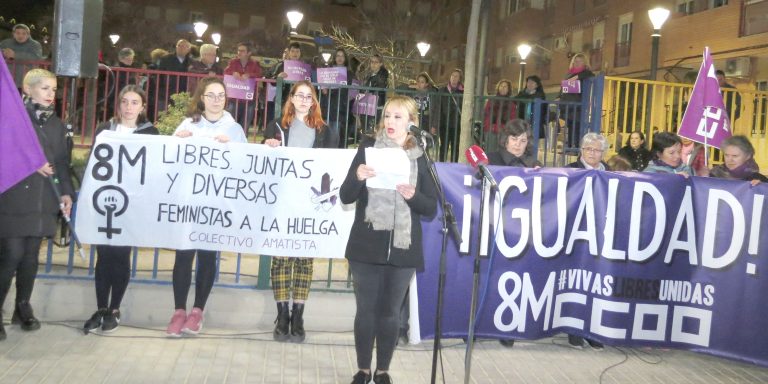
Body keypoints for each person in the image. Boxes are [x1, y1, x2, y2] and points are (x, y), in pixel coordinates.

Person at [340, 95, 437, 384]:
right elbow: (346, 196)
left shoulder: (421, 155)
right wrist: (357, 176)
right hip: (366, 244)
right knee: (366, 310)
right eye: (387, 116)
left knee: (390, 312)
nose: (390, 122)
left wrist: (413, 196)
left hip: (403, 249)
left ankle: (382, 370)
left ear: (412, 123)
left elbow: (430, 207)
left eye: (397, 117)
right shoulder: (368, 148)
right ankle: (362, 369)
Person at [165, 77, 246, 337]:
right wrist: (177, 142)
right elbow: (169, 159)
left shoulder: (233, 128)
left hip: (216, 203)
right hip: (189, 201)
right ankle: (179, 311)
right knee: (184, 255)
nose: (216, 100)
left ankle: (198, 311)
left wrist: (231, 149)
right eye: (210, 95)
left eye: (220, 95)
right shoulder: (188, 124)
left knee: (208, 256)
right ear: (201, 98)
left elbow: (246, 166)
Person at [0, 69, 74, 341]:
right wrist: (31, 166)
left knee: (31, 257)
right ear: (27, 89)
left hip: (43, 199)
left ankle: (22, 307)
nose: (50, 94)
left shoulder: (56, 124)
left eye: (53, 89)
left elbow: (62, 163)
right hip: (14, 197)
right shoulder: (11, 119)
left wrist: (66, 192)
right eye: (44, 88)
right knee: (10, 256)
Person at [263, 80, 338, 343]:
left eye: (310, 96)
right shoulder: (276, 127)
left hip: (310, 203)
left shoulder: (325, 131)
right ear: (291, 99)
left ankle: (299, 315)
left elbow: (332, 168)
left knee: (305, 260)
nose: (305, 100)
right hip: (282, 200)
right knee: (281, 258)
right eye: (300, 96)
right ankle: (282, 314)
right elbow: (262, 163)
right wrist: (267, 146)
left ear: (314, 101)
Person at [82, 85, 159, 334]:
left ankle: (115, 309)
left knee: (120, 256)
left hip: (132, 205)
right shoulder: (105, 129)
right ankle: (101, 308)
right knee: (103, 256)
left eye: (134, 102)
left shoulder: (151, 133)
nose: (128, 107)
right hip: (105, 201)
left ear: (142, 106)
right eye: (125, 101)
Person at [558, 53, 594, 149]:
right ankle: (570, 147)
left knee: (577, 127)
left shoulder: (585, 74)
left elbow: (590, 73)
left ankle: (576, 148)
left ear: (585, 63)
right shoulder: (569, 73)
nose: (577, 63)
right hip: (568, 105)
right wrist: (559, 96)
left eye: (580, 61)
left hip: (578, 105)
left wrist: (577, 77)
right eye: (575, 61)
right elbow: (563, 88)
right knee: (570, 126)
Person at [224, 42, 262, 132]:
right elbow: (226, 72)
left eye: (242, 51)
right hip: (233, 99)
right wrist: (232, 73)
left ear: (249, 53)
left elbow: (260, 75)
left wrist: (250, 75)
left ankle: (242, 143)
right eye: (238, 50)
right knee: (230, 124)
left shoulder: (255, 64)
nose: (239, 53)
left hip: (249, 100)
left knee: (245, 125)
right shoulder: (233, 62)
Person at [320, 48, 353, 148]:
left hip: (340, 106)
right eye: (338, 55)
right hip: (327, 105)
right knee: (324, 132)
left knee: (335, 133)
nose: (339, 58)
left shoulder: (349, 74)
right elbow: (322, 85)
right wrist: (324, 90)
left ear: (345, 58)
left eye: (342, 56)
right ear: (334, 58)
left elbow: (348, 89)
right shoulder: (327, 71)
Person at [434, 68, 464, 162]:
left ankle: (454, 166)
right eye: (452, 76)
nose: (454, 78)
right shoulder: (443, 90)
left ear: (460, 79)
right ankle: (442, 165)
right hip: (444, 123)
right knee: (444, 146)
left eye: (456, 76)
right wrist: (435, 124)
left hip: (457, 124)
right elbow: (438, 108)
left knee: (456, 147)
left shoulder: (464, 91)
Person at [0, 24, 43, 88]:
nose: (20, 35)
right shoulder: (5, 43)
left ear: (28, 34)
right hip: (7, 80)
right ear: (13, 34)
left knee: (23, 97)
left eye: (24, 33)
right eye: (18, 33)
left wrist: (15, 55)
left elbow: (36, 57)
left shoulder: (35, 45)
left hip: (27, 81)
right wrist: (4, 53)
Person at [156, 39, 192, 112]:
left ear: (188, 49)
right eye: (179, 46)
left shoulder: (192, 62)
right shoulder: (166, 59)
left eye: (185, 46)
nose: (181, 48)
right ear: (176, 47)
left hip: (184, 95)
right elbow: (159, 76)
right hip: (166, 94)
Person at [361, 54, 389, 134]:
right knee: (367, 130)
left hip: (377, 106)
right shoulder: (369, 75)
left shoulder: (383, 75)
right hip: (368, 105)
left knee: (373, 131)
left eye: (376, 62)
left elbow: (379, 87)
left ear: (380, 64)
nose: (373, 64)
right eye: (372, 62)